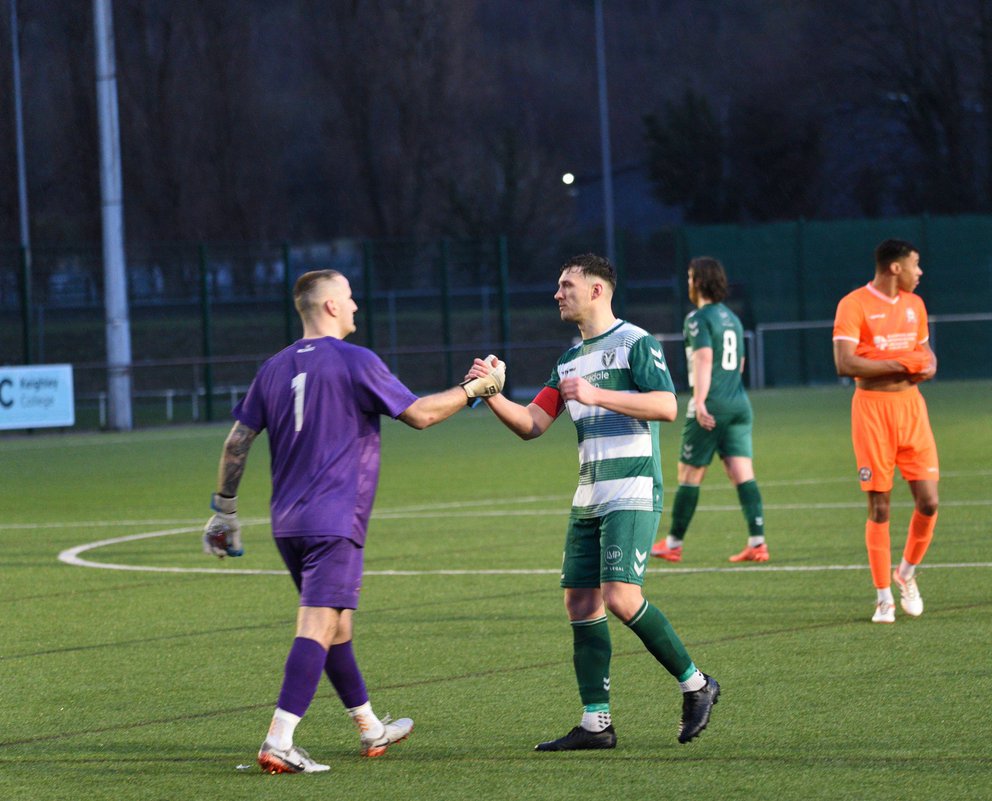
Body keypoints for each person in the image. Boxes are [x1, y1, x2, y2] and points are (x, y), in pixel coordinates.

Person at [202, 269, 504, 774]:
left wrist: (225, 510)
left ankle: (370, 728)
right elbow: (420, 415)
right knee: (319, 624)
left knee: (337, 625)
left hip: (289, 523)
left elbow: (237, 441)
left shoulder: (273, 368)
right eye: (348, 297)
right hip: (334, 518)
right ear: (329, 308)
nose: (356, 305)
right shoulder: (354, 360)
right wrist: (477, 388)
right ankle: (278, 741)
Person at [468, 253, 719, 751]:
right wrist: (492, 393)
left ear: (598, 290)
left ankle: (697, 684)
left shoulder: (635, 342)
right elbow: (532, 425)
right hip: (589, 494)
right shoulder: (568, 360)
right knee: (579, 602)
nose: (558, 294)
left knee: (621, 597)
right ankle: (595, 723)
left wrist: (598, 395)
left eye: (566, 285)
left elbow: (667, 405)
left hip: (631, 489)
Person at [832, 239, 940, 624]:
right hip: (872, 410)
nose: (919, 272)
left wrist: (923, 365)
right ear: (895, 268)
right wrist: (900, 362)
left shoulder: (916, 305)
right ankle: (883, 599)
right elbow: (845, 363)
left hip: (911, 408)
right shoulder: (854, 304)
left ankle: (906, 574)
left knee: (929, 502)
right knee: (880, 505)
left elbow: (926, 358)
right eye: (916, 264)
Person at [650, 256, 767, 563]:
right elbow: (739, 364)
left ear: (699, 282)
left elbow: (703, 358)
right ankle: (757, 541)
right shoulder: (733, 318)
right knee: (743, 473)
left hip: (711, 405)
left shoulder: (697, 319)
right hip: (739, 403)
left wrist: (699, 401)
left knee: (689, 473)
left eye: (690, 278)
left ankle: (673, 543)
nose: (688, 283)